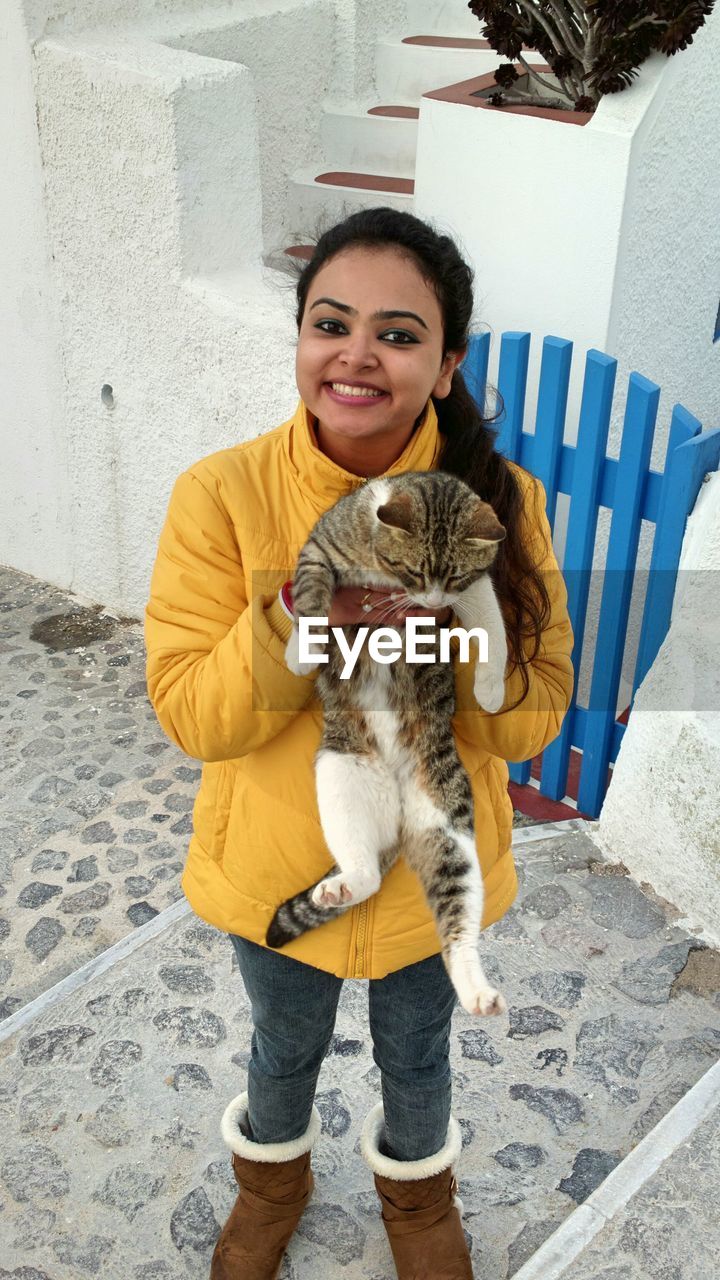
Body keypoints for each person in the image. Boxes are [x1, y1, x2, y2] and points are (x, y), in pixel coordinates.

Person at [144, 207, 574, 1280]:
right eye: (330, 322)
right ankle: (269, 1186)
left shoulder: (502, 504)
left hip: (434, 874)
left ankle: (420, 1199)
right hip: (283, 864)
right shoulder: (220, 494)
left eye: (398, 332)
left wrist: (450, 640)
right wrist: (299, 611)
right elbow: (194, 713)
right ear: (299, 340)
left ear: (445, 363)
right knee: (282, 1046)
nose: (357, 352)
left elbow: (535, 713)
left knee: (419, 1052)